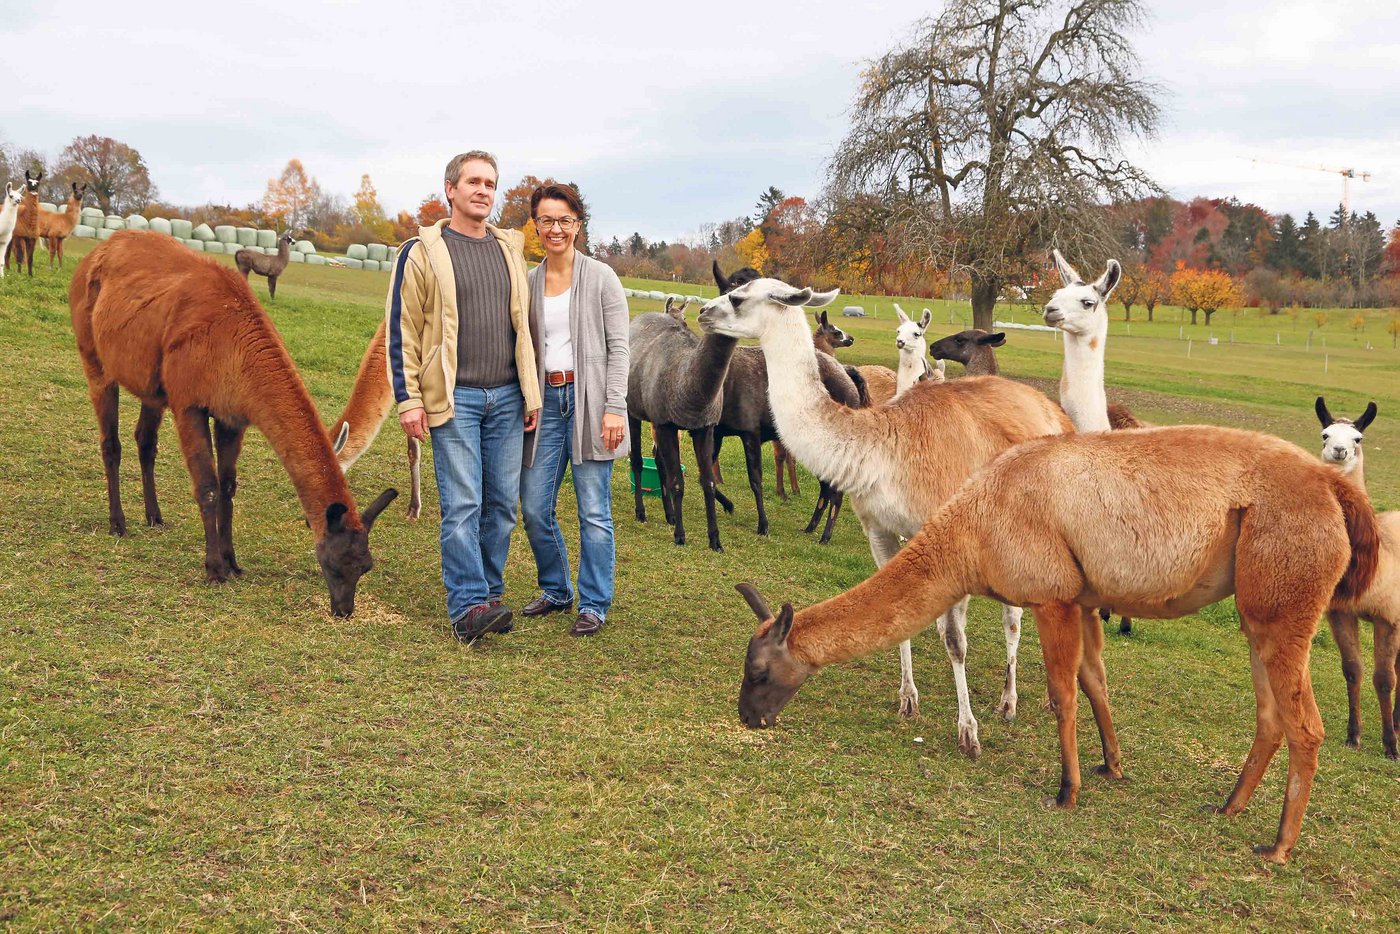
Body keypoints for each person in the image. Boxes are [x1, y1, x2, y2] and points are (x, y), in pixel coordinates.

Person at [386, 151, 542, 641]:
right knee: (463, 504)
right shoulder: (421, 252)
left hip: (509, 398)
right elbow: (402, 330)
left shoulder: (509, 250)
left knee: (501, 506)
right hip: (454, 399)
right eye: (473, 182)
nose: (483, 191)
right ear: (450, 189)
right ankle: (468, 606)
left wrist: (531, 393)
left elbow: (524, 329)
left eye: (490, 184)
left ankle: (489, 595)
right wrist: (408, 400)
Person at [518, 184, 630, 636]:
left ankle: (594, 603)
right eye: (547, 220)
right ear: (537, 226)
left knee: (594, 512)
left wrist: (614, 408)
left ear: (578, 225)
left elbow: (620, 348)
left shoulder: (602, 278)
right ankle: (556, 588)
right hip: (545, 402)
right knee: (532, 504)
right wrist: (527, 398)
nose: (556, 228)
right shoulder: (528, 282)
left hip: (588, 404)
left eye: (564, 220)